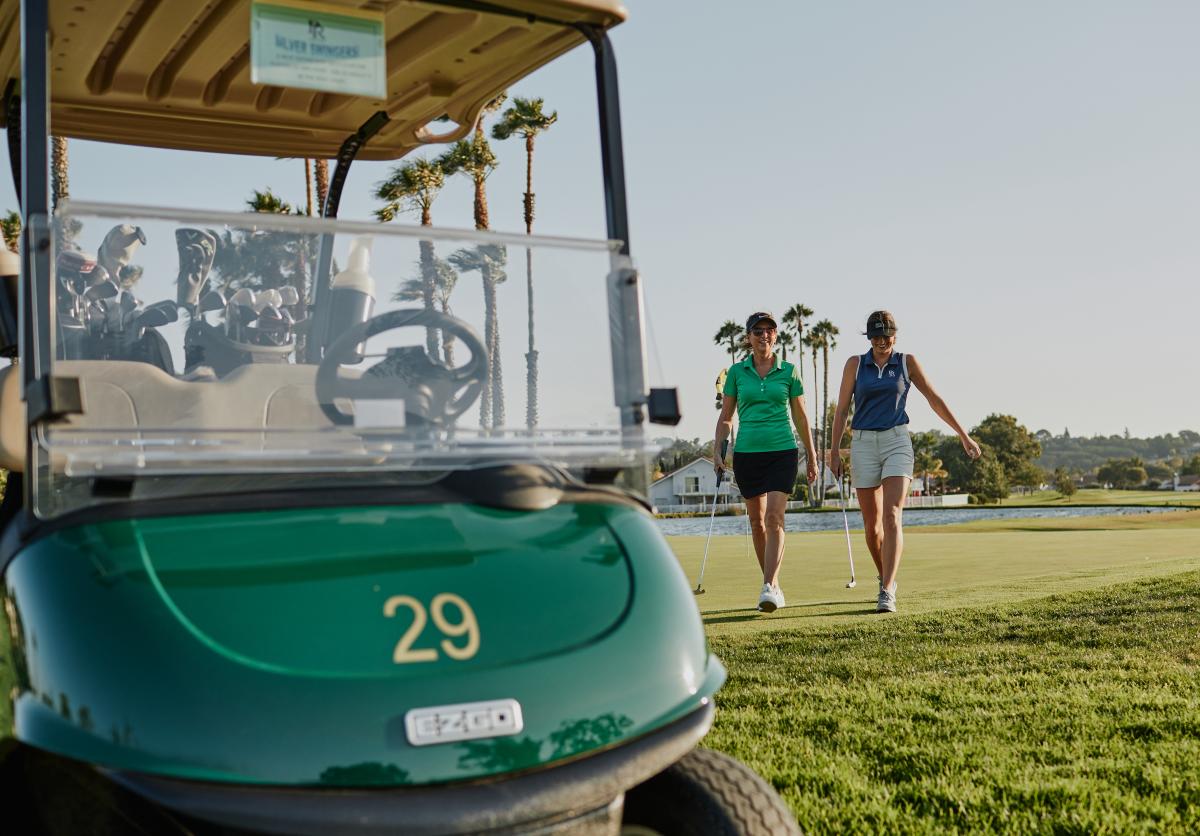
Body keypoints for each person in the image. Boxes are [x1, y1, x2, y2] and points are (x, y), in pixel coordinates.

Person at [829, 311, 981, 613]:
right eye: (875, 336)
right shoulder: (855, 364)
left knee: (892, 514)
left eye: (886, 336)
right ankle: (887, 576)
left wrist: (963, 434)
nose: (881, 342)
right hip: (862, 444)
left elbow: (934, 399)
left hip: (897, 441)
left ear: (894, 336)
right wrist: (834, 451)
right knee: (872, 528)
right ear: (869, 338)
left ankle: (886, 590)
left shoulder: (906, 362)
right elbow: (843, 409)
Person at [714, 312, 818, 613]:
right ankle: (770, 583)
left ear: (776, 335)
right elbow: (727, 417)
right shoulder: (736, 372)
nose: (764, 336)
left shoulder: (789, 371)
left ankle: (770, 585)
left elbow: (800, 416)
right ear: (748, 337)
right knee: (757, 523)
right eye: (757, 331)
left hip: (782, 451)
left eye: (769, 331)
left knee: (774, 517)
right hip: (746, 454)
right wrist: (717, 449)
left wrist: (811, 454)